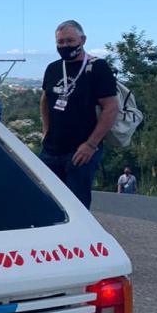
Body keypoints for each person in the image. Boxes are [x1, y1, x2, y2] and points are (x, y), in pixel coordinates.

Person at [39, 19, 119, 209]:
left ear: (82, 40)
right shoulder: (53, 68)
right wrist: (45, 130)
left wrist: (91, 144)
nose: (65, 46)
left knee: (76, 206)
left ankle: (76, 239)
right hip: (51, 149)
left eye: (70, 41)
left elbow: (111, 107)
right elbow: (45, 99)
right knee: (46, 202)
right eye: (60, 42)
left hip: (80, 151)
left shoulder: (98, 67)